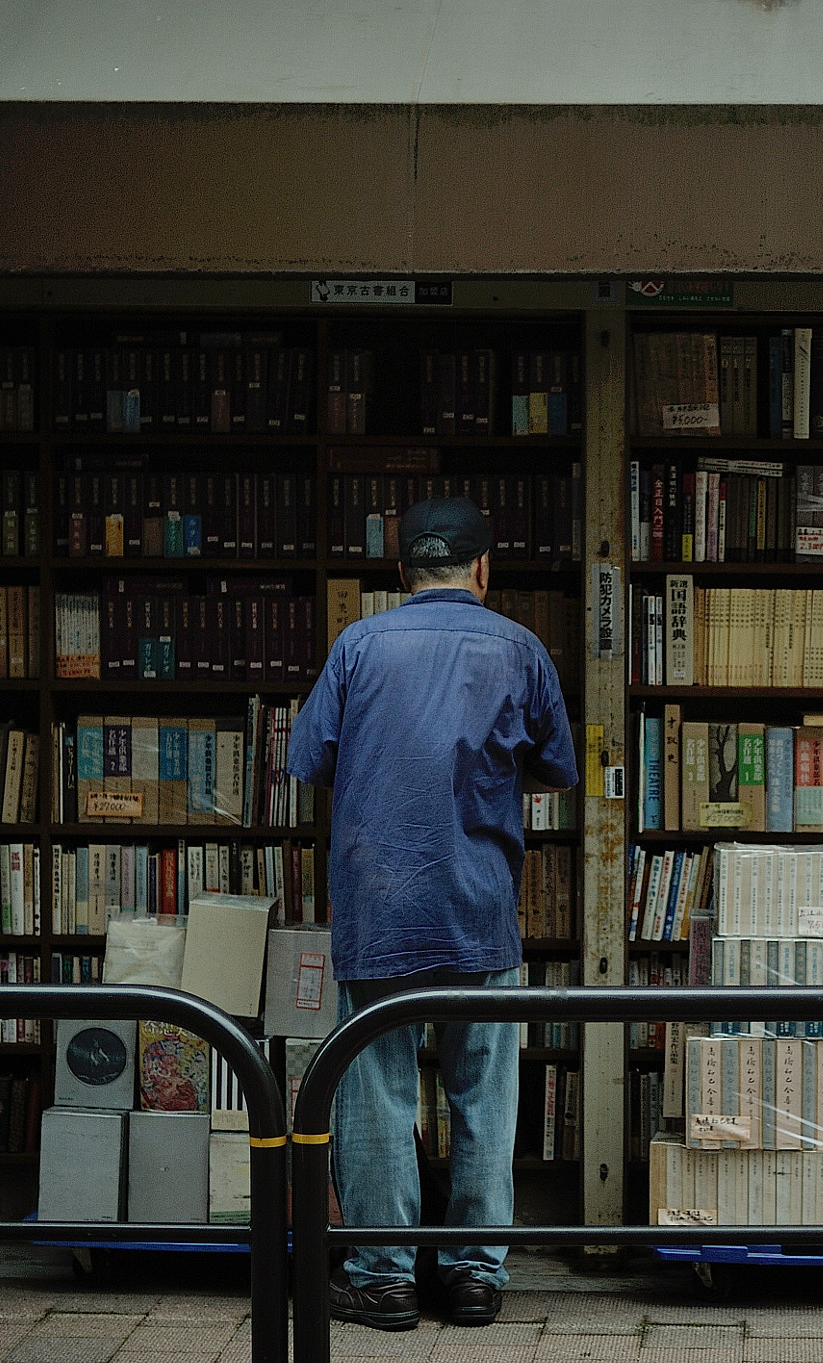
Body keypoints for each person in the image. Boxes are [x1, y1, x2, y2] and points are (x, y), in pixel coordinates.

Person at [286, 497, 578, 1332]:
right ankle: (474, 1277)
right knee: (483, 1093)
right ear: (485, 569)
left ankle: (384, 1279)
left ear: (400, 570)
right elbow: (558, 768)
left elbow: (310, 758)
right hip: (480, 909)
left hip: (380, 910)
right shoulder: (519, 649)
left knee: (375, 1093)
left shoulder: (358, 645)